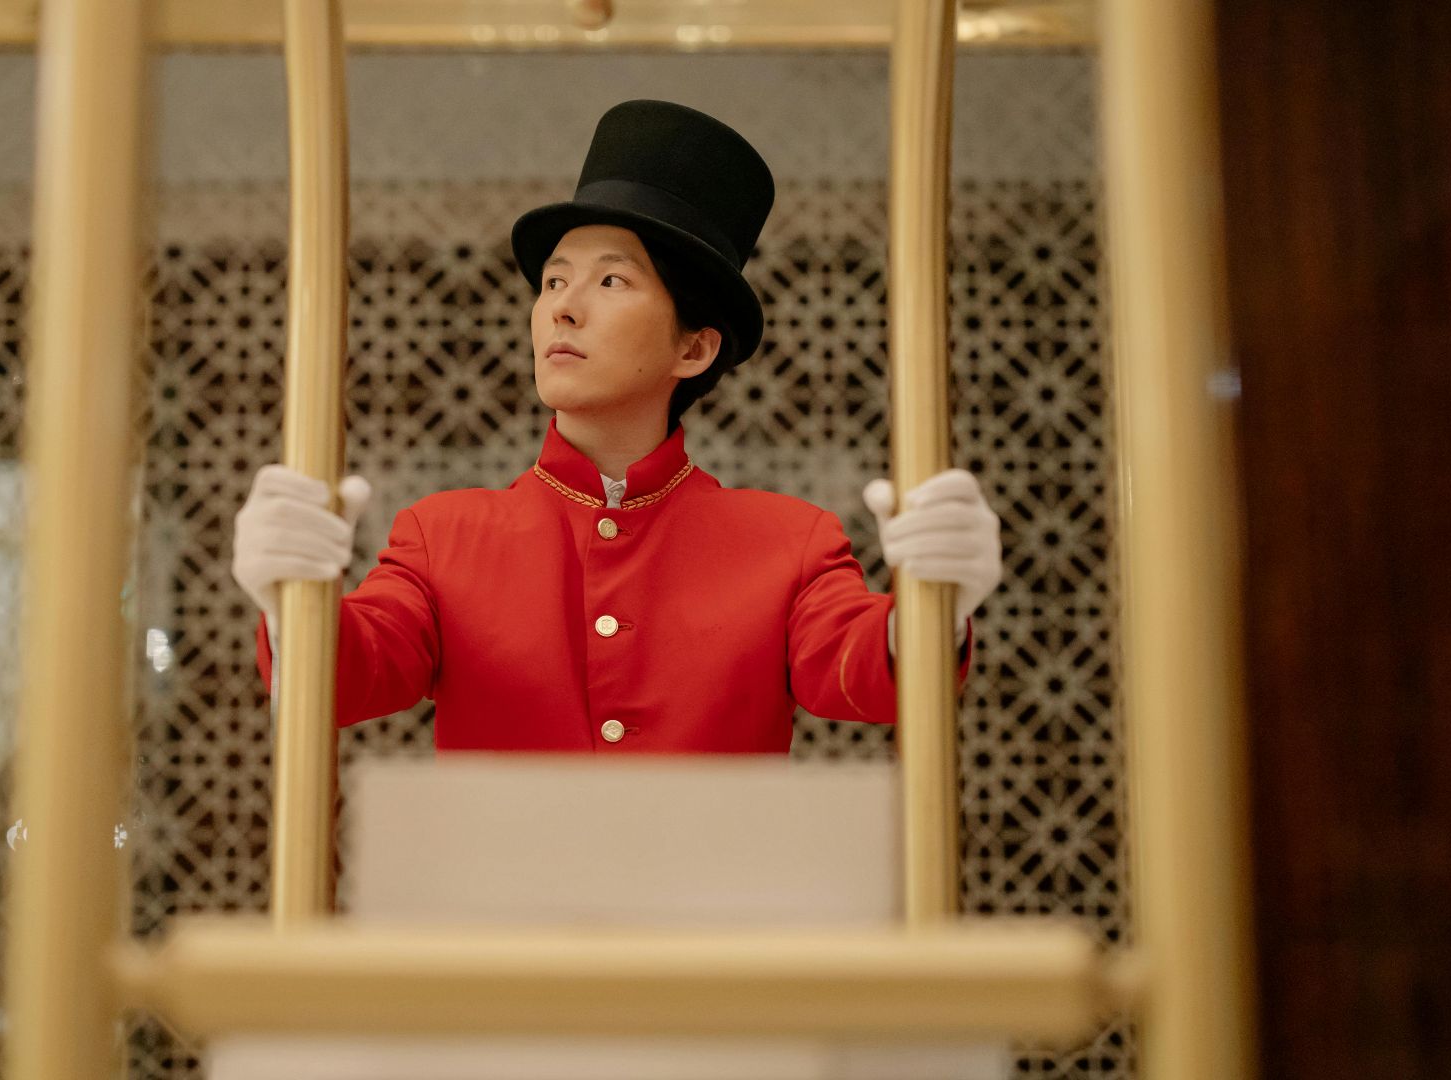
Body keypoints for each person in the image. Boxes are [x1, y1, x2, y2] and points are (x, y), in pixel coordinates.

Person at [232, 99, 1001, 753]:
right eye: (555, 280)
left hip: (716, 925)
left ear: (693, 348)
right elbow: (349, 675)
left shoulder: (790, 545)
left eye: (610, 279)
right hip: (497, 925)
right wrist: (291, 595)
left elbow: (866, 671)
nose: (562, 306)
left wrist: (936, 602)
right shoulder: (443, 537)